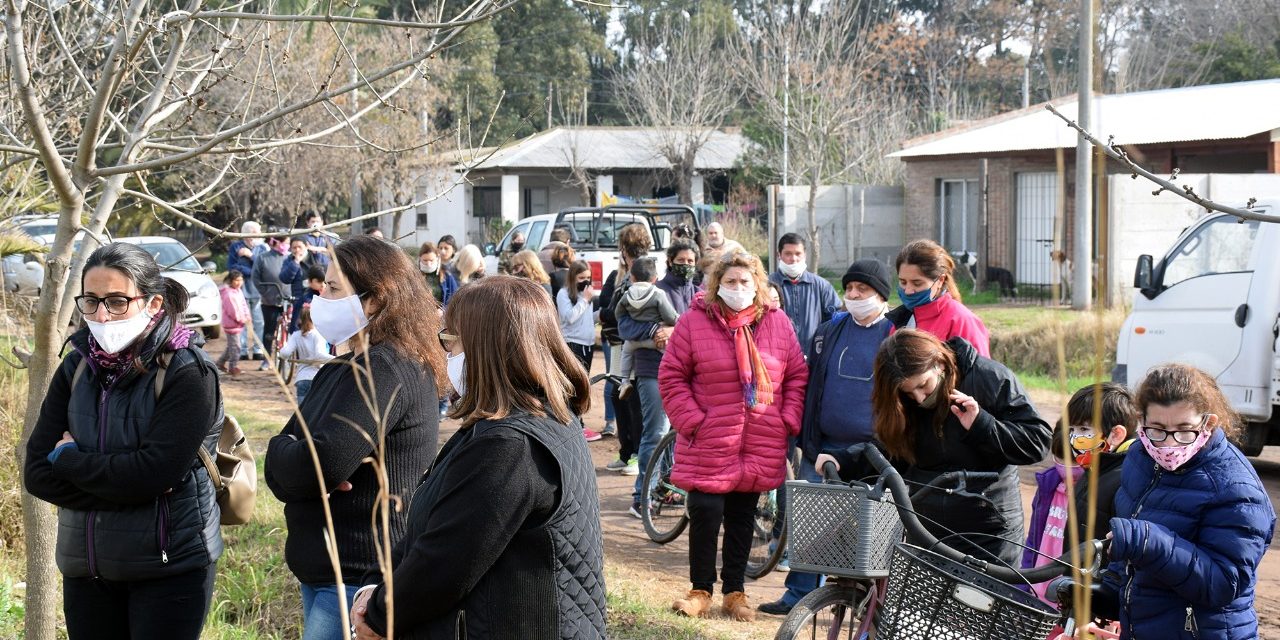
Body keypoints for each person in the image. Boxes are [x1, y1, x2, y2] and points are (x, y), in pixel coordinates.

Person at [350, 276, 606, 640]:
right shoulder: (530, 421)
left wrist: (378, 615)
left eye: (451, 342)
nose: (446, 355)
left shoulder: (509, 446)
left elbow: (444, 562)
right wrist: (373, 588)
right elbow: (430, 530)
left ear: (487, 347)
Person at [25, 242, 224, 640]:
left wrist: (69, 461)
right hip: (88, 569)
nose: (101, 314)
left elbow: (154, 473)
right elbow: (37, 474)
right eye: (91, 301)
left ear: (152, 303)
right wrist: (132, 489)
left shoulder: (188, 372)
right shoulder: (76, 365)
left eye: (117, 301)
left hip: (168, 570)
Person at [264, 235, 446, 640]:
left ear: (375, 299)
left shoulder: (383, 369)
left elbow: (319, 466)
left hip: (355, 574)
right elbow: (285, 453)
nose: (320, 296)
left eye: (333, 288)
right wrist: (288, 454)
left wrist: (299, 460)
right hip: (326, 568)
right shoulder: (351, 365)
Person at [659, 252, 809, 622]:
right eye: (730, 282)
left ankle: (735, 592)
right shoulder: (694, 322)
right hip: (710, 437)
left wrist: (786, 419)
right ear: (717, 285)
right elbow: (672, 376)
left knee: (742, 517)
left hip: (759, 438)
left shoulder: (778, 324)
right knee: (706, 512)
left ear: (757, 284)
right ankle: (700, 591)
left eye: (745, 282)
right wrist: (693, 421)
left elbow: (796, 376)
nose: (738, 289)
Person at [817, 329, 1050, 567]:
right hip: (928, 529)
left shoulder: (989, 378)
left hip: (989, 530)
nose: (919, 398)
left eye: (923, 385)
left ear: (939, 363)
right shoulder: (906, 401)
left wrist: (981, 424)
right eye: (909, 392)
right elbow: (893, 450)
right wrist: (844, 460)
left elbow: (1037, 442)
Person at [1091, 364, 1275, 640]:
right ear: (1141, 420)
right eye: (1158, 429)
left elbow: (1225, 584)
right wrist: (1109, 587)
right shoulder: (1140, 458)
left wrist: (1150, 542)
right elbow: (1132, 554)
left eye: (1184, 430)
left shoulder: (1236, 488)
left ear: (1208, 424)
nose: (1168, 444)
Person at [759, 259, 895, 616]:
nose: (853, 296)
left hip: (875, 455)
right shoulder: (830, 331)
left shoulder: (895, 335)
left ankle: (861, 603)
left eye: (862, 291)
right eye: (849, 290)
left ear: (881, 296)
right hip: (824, 447)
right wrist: (809, 439)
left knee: (869, 534)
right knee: (812, 525)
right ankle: (798, 596)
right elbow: (813, 384)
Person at [1023, 382, 1138, 588]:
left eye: (1084, 429)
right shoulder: (1092, 468)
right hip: (1071, 590)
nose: (1074, 438)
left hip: (1099, 601)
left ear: (1116, 434)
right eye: (1072, 429)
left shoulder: (1127, 481)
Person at [599, 223, 653, 472]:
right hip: (618, 344)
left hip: (635, 345)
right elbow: (607, 303)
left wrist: (607, 313)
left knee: (632, 400)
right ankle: (626, 451)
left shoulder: (644, 273)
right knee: (617, 395)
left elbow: (617, 310)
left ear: (624, 248)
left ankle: (636, 455)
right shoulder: (619, 274)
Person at [887, 239, 990, 357]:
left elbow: (979, 373)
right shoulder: (902, 318)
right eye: (903, 282)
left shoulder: (962, 320)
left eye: (917, 283)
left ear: (940, 281)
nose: (908, 291)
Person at [613, 257, 677, 399]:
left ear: (632, 278)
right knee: (669, 354)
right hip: (656, 339)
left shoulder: (627, 294)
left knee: (626, 354)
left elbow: (618, 313)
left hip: (633, 340)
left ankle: (624, 381)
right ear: (655, 278)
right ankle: (673, 378)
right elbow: (670, 316)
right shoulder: (658, 294)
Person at [769, 233, 840, 351]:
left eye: (798, 254)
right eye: (788, 254)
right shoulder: (767, 285)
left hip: (814, 357)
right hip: (777, 355)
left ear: (805, 255)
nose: (793, 259)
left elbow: (835, 319)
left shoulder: (821, 285)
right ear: (779, 255)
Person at [252, 236, 302, 371]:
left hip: (290, 299)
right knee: (269, 331)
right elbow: (255, 277)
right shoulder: (263, 258)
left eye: (287, 243)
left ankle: (293, 358)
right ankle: (267, 360)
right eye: (283, 242)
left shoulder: (290, 259)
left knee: (293, 328)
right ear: (274, 242)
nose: (285, 245)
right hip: (270, 300)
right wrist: (265, 292)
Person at [278, 305, 334, 404]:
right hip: (317, 378)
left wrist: (281, 354)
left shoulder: (296, 335)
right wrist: (337, 359)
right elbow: (319, 355)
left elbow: (285, 353)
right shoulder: (318, 335)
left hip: (302, 378)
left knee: (302, 414)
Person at [228, 220, 266, 360]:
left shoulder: (262, 248)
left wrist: (250, 256)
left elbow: (264, 268)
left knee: (258, 321)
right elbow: (232, 267)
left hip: (258, 291)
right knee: (241, 321)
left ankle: (258, 350)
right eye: (255, 232)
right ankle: (242, 351)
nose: (258, 235)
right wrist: (251, 271)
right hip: (240, 291)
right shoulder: (235, 247)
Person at [218, 270, 251, 375]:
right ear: (231, 281)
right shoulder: (228, 294)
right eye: (236, 280)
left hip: (238, 324)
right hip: (231, 324)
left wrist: (247, 316)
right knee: (236, 347)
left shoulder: (238, 291)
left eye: (241, 280)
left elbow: (244, 305)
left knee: (231, 346)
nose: (239, 282)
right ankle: (233, 366)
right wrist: (241, 319)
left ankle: (220, 363)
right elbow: (233, 311)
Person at [285, 237, 316, 332]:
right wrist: (295, 263)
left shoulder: (313, 256)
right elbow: (285, 278)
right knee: (297, 326)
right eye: (294, 247)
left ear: (306, 246)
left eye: (299, 247)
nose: (297, 250)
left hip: (313, 297)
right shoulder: (289, 260)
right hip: (297, 297)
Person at [417, 241, 458, 307]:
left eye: (431, 260)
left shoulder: (447, 275)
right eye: (425, 260)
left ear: (437, 258)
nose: (428, 264)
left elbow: (456, 298)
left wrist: (444, 310)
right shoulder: (414, 276)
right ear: (420, 259)